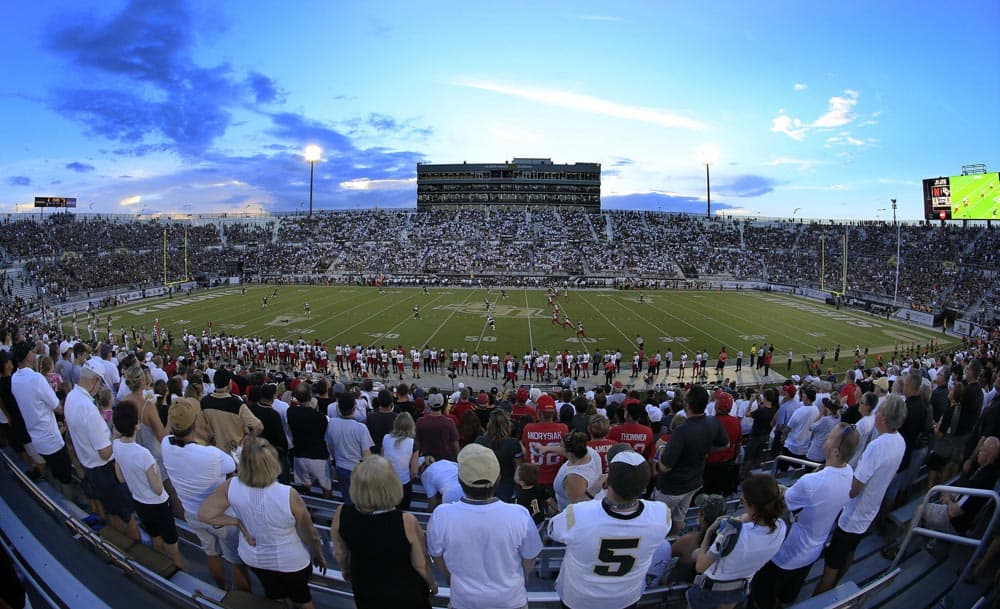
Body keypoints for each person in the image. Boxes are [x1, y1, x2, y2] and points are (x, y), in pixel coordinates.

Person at [199, 438, 325, 609]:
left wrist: (237, 523)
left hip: (255, 558)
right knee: (303, 600)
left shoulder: (231, 485)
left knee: (273, 596)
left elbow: (205, 514)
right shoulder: (288, 494)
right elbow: (310, 534)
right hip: (291, 561)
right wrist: (318, 554)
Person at [750, 423, 860, 608]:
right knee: (787, 597)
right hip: (812, 551)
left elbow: (782, 503)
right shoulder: (849, 473)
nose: (826, 438)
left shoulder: (812, 482)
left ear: (835, 451)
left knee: (761, 597)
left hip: (787, 555)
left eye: (830, 437)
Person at [548, 450, 671, 609]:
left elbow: (553, 530)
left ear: (607, 482)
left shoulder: (579, 514)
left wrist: (591, 492)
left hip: (580, 599)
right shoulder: (661, 515)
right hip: (626, 598)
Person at [427, 444, 542, 609]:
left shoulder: (441, 515)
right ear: (499, 479)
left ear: (460, 479)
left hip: (464, 601)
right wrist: (519, 580)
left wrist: (452, 582)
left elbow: (437, 556)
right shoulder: (519, 515)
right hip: (510, 600)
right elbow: (530, 557)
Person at [814, 394, 907, 594]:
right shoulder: (900, 441)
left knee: (832, 564)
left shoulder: (877, 446)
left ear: (883, 417)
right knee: (850, 552)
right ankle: (833, 588)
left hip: (853, 515)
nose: (876, 414)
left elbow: (855, 488)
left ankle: (820, 597)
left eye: (879, 411)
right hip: (869, 510)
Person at [161, 398, 251, 592]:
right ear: (195, 424)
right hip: (221, 517)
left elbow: (168, 434)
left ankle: (221, 589)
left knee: (211, 553)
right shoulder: (211, 455)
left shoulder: (165, 445)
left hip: (192, 514)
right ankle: (245, 599)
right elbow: (232, 468)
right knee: (236, 561)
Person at [331, 455, 437, 609]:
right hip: (405, 593)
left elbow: (340, 553)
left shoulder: (341, 513)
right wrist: (432, 583)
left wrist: (346, 570)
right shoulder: (406, 520)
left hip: (365, 587)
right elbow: (420, 564)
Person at [687, 474, 787, 609]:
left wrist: (709, 533)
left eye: (743, 501)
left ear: (752, 505)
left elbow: (700, 566)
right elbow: (748, 518)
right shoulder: (781, 527)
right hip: (739, 588)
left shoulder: (731, 533)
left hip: (711, 589)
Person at [65, 361, 140, 538]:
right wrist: (116, 435)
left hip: (90, 467)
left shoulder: (71, 397)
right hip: (104, 470)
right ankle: (134, 550)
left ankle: (120, 543)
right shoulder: (87, 408)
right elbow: (105, 452)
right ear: (95, 380)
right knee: (126, 515)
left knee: (112, 512)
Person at [112, 400, 185, 570]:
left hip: (139, 502)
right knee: (172, 547)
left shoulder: (116, 445)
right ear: (136, 425)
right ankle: (179, 570)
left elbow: (120, 477)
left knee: (156, 539)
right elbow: (158, 488)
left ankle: (162, 567)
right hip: (158, 504)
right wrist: (157, 472)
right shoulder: (143, 454)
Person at [655, 385, 730, 534]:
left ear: (687, 404)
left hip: (673, 486)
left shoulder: (682, 431)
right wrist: (704, 448)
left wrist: (661, 448)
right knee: (679, 516)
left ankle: (661, 546)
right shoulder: (712, 422)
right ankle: (672, 539)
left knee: (659, 519)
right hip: (694, 482)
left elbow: (665, 467)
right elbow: (725, 444)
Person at [10, 341, 73, 487]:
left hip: (35, 437)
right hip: (50, 438)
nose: (34, 354)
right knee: (65, 475)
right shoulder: (36, 379)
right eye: (32, 352)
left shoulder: (15, 378)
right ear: (28, 356)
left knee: (53, 471)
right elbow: (58, 408)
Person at [325, 394, 375, 505]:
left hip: (340, 467)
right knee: (360, 500)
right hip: (356, 469)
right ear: (354, 408)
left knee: (347, 498)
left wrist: (336, 459)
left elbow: (330, 446)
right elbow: (367, 455)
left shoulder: (332, 423)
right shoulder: (360, 428)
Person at [476, 409, 523, 502]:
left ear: (489, 423)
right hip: (507, 486)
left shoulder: (480, 441)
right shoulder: (513, 443)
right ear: (507, 424)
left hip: (485, 485)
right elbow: (519, 467)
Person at [552, 431, 604, 511]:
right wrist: (546, 448)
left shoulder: (575, 477)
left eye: (561, 446)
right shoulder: (589, 451)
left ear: (570, 453)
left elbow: (578, 508)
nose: (559, 447)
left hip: (570, 516)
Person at [382, 412, 419, 509]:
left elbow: (382, 459)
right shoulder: (412, 443)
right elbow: (414, 471)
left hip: (387, 481)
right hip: (403, 483)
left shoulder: (385, 438)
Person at [415, 392, 459, 461]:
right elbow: (455, 446)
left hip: (427, 460)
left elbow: (417, 444)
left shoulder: (420, 422)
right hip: (446, 461)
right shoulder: (449, 422)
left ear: (429, 405)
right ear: (442, 405)